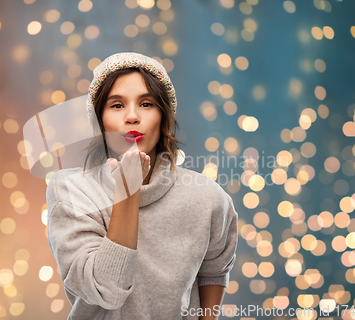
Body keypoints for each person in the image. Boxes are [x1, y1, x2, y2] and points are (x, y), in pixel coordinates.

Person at [46, 52, 238, 320]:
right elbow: (107, 291)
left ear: (164, 116)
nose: (132, 117)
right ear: (99, 121)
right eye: (116, 105)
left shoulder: (207, 196)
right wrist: (127, 192)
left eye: (146, 104)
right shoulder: (71, 191)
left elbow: (215, 270)